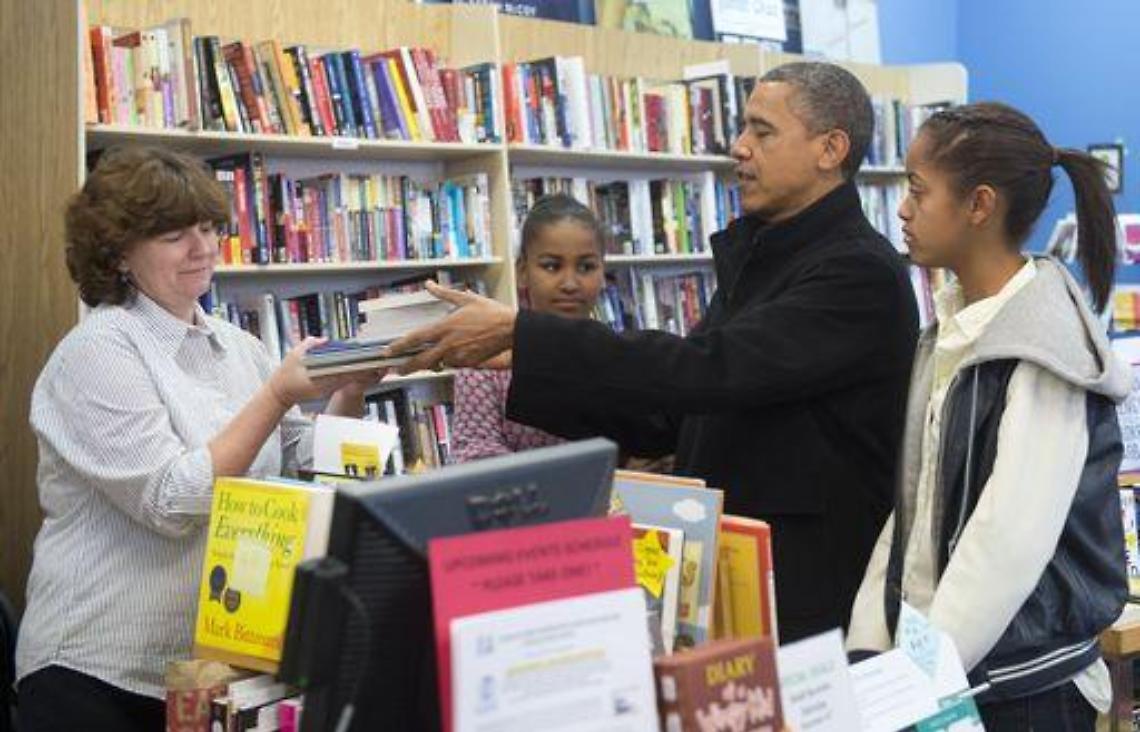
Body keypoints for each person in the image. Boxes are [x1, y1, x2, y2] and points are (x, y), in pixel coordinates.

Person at [389, 62, 920, 642]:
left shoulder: (856, 272)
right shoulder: (770, 257)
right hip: (728, 583)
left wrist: (527, 336)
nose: (739, 148)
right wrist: (524, 360)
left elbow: (713, 369)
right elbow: (670, 414)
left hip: (804, 601)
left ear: (829, 148)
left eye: (762, 132)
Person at [15, 146, 382, 731]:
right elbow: (172, 501)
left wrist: (354, 390)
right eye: (174, 234)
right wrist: (277, 395)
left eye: (210, 228)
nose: (203, 248)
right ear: (118, 252)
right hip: (96, 672)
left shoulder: (237, 345)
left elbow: (306, 466)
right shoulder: (96, 352)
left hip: (206, 670)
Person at [846, 102, 1129, 730]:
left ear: (979, 205)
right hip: (947, 672)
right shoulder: (951, 328)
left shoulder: (1040, 347)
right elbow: (916, 509)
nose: (903, 208)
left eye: (919, 191)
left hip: (1023, 691)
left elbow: (1007, 542)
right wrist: (870, 639)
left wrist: (913, 684)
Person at [452, 194, 606, 462]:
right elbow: (474, 455)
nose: (570, 283)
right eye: (551, 266)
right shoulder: (486, 362)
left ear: (603, 272)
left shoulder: (621, 356)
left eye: (586, 267)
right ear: (523, 271)